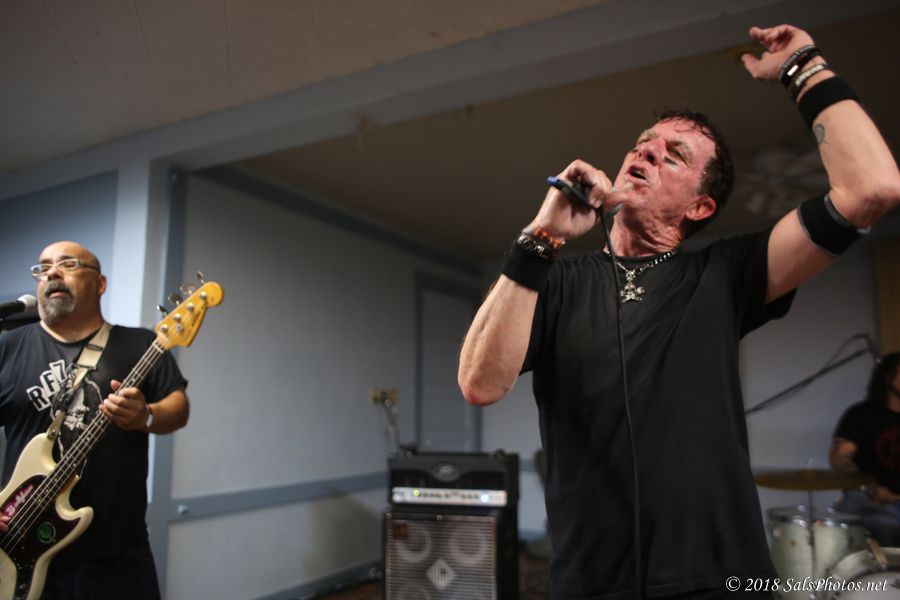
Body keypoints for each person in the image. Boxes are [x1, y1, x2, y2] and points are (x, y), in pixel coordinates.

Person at [458, 24, 900, 600]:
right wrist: (540, 238)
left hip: (724, 577)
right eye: (644, 144)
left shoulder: (727, 272)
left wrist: (803, 66)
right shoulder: (555, 279)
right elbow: (480, 383)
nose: (646, 152)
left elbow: (873, 188)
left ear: (700, 206)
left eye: (674, 156)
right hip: (590, 582)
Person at [0, 241, 190, 600]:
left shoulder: (141, 345)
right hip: (17, 545)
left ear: (100, 283)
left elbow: (178, 408)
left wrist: (147, 415)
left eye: (68, 264)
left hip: (119, 555)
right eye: (43, 267)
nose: (52, 273)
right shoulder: (8, 347)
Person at [830, 352, 900, 547]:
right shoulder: (862, 414)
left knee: (888, 525)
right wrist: (870, 487)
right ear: (888, 377)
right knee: (838, 532)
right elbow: (840, 459)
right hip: (865, 498)